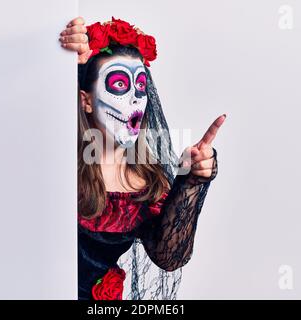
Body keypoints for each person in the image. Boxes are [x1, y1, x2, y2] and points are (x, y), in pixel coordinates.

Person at [59, 16, 226, 300]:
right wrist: (58, 55)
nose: (136, 99)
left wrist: (193, 180)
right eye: (120, 84)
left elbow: (169, 258)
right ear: (85, 100)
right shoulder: (57, 163)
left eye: (139, 86)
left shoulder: (146, 180)